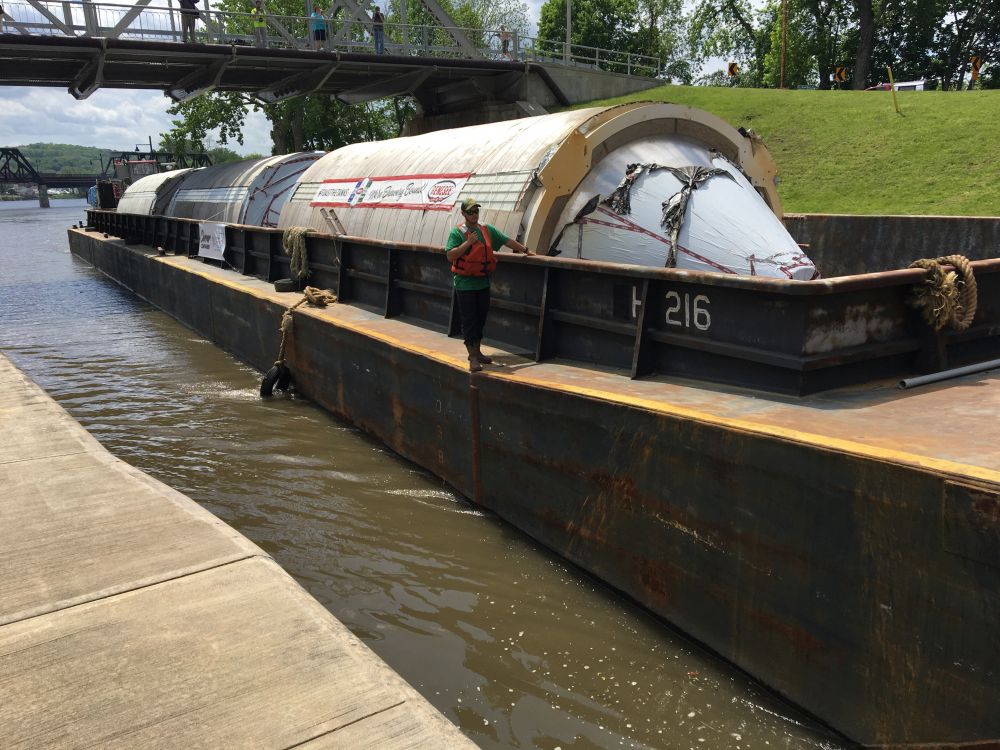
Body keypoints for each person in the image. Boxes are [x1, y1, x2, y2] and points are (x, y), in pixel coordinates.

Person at [444, 197, 534, 372]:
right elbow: (450, 255)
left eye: (476, 211)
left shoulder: (486, 230)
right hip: (465, 285)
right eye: (470, 212)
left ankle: (477, 352)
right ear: (463, 214)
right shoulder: (458, 233)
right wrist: (467, 243)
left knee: (480, 318)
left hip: (482, 283)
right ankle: (472, 357)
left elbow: (506, 240)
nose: (474, 215)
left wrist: (526, 250)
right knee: (469, 320)